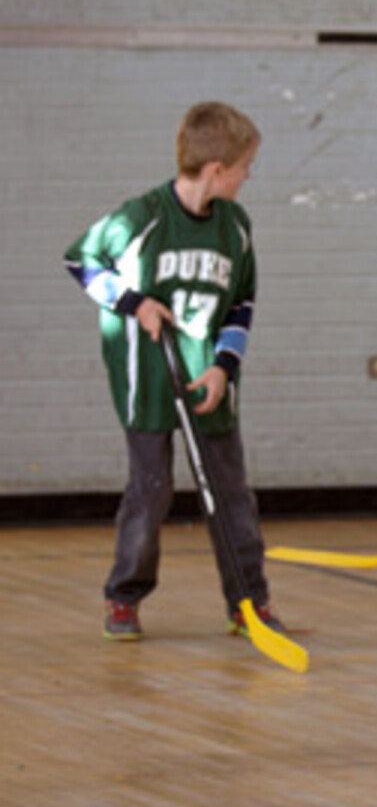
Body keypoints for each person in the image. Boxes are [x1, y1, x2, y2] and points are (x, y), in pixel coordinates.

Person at [63, 101, 286, 643]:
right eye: (245, 166)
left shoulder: (236, 226)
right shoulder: (142, 217)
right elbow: (80, 260)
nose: (248, 176)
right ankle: (124, 597)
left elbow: (242, 303)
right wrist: (133, 302)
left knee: (231, 493)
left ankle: (248, 603)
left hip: (209, 382)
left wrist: (223, 368)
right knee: (152, 490)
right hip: (149, 383)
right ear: (216, 169)